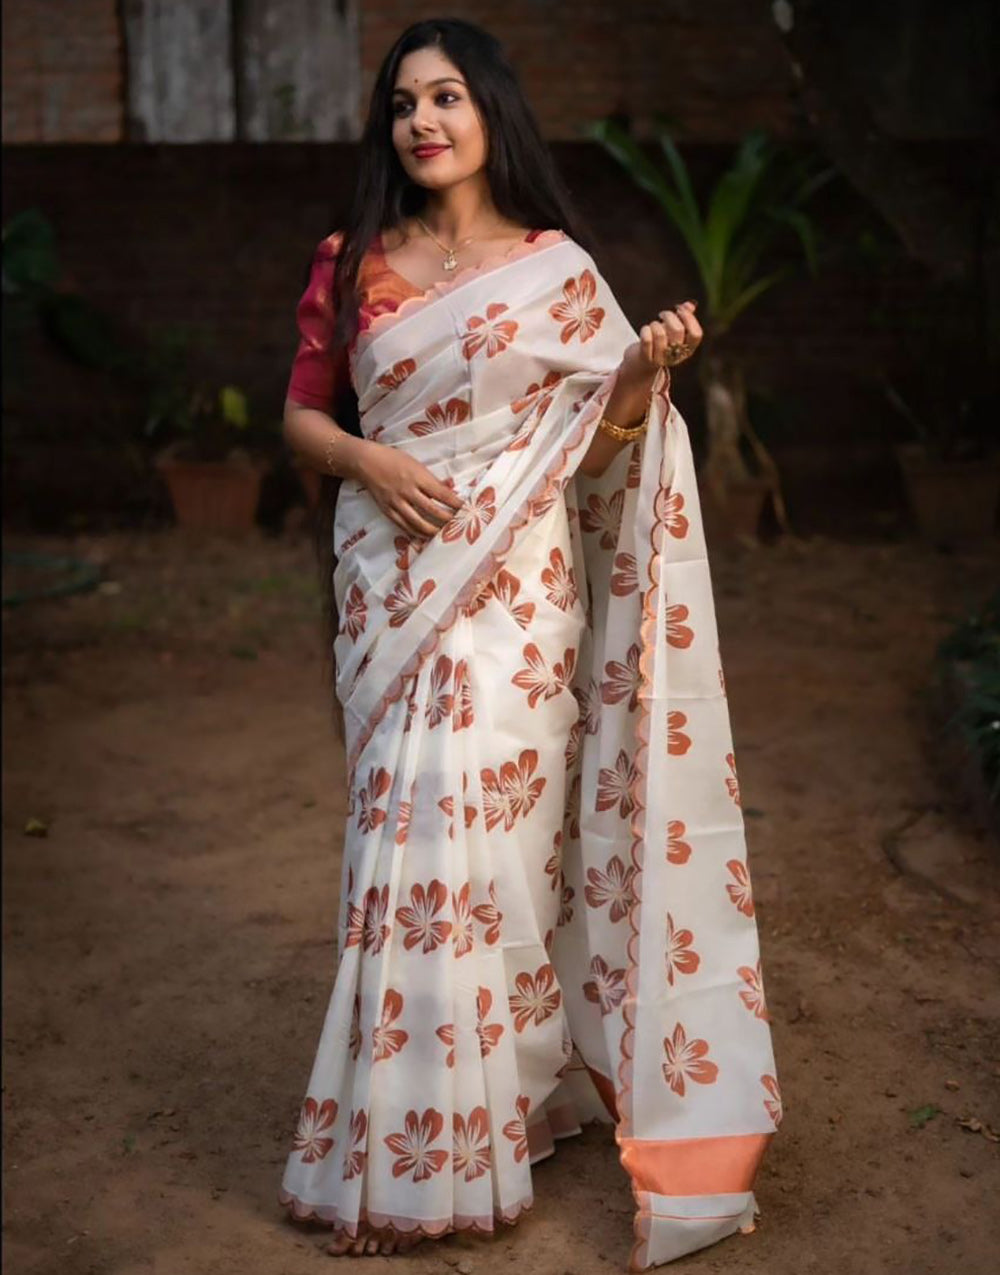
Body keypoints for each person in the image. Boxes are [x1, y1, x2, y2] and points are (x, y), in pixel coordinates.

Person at [278, 16, 780, 1269]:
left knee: (491, 847)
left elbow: (602, 463)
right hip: (388, 583)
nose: (423, 122)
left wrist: (629, 389)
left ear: (492, 112)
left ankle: (491, 1112)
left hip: (514, 593)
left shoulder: (556, 271)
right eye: (403, 104)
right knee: (400, 830)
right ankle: (405, 1139)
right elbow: (303, 416)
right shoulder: (355, 263)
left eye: (446, 96)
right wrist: (366, 456)